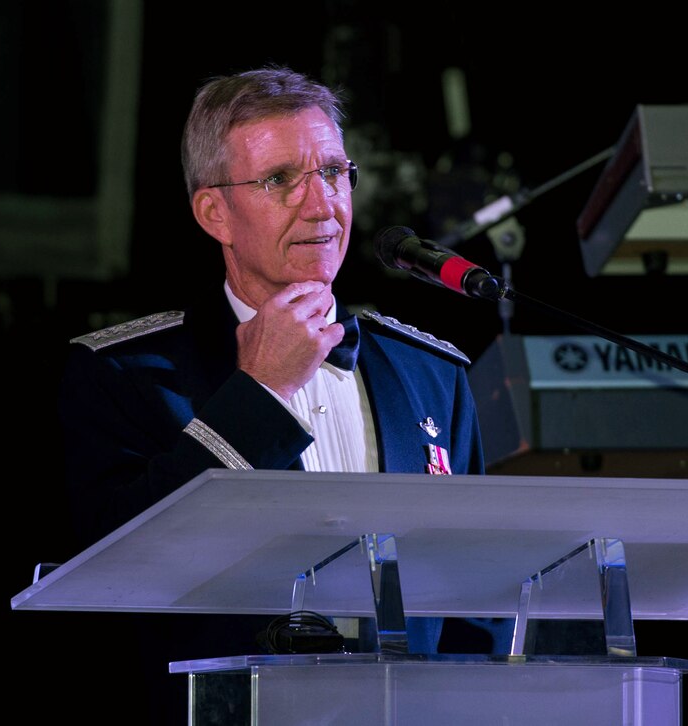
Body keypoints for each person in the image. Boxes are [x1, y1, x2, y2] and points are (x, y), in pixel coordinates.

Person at [57, 65, 506, 660]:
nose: (322, 206)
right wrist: (260, 393)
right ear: (214, 213)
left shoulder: (432, 374)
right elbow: (115, 569)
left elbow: (478, 599)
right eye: (279, 179)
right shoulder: (122, 374)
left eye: (332, 173)